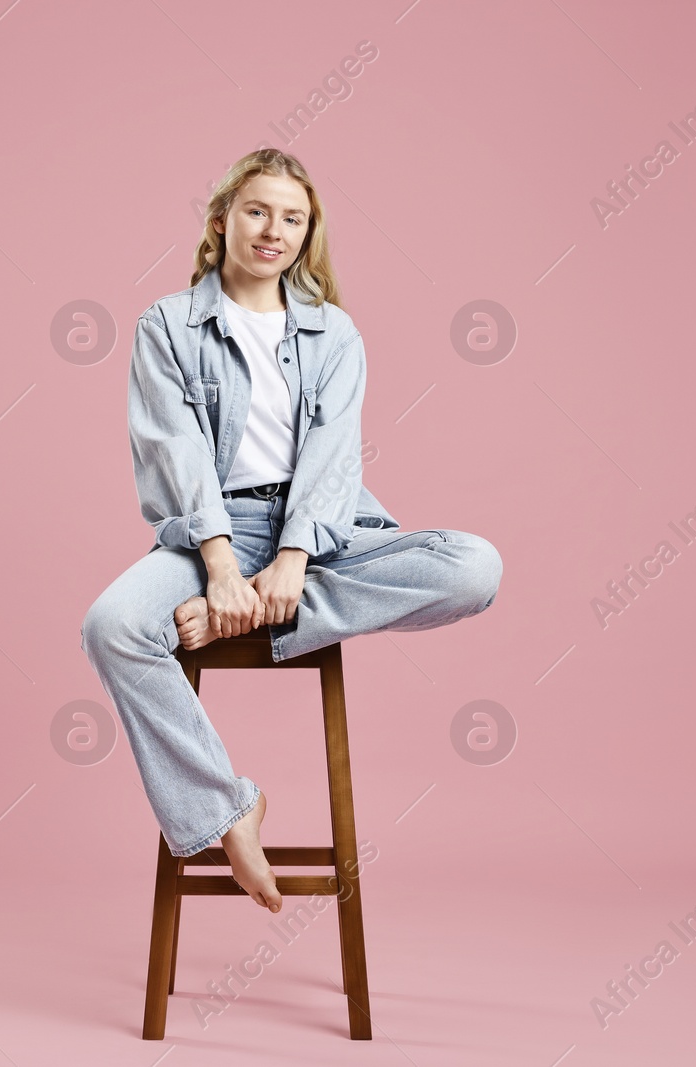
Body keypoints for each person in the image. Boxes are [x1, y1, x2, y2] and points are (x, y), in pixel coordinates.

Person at [81, 148, 502, 912]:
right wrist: (219, 565)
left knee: (474, 566)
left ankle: (243, 616)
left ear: (307, 236)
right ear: (222, 221)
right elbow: (174, 451)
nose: (273, 230)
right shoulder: (168, 325)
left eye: (292, 218)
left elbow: (333, 456)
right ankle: (226, 809)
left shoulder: (334, 335)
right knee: (111, 624)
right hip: (211, 532)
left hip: (319, 534)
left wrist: (290, 560)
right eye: (257, 211)